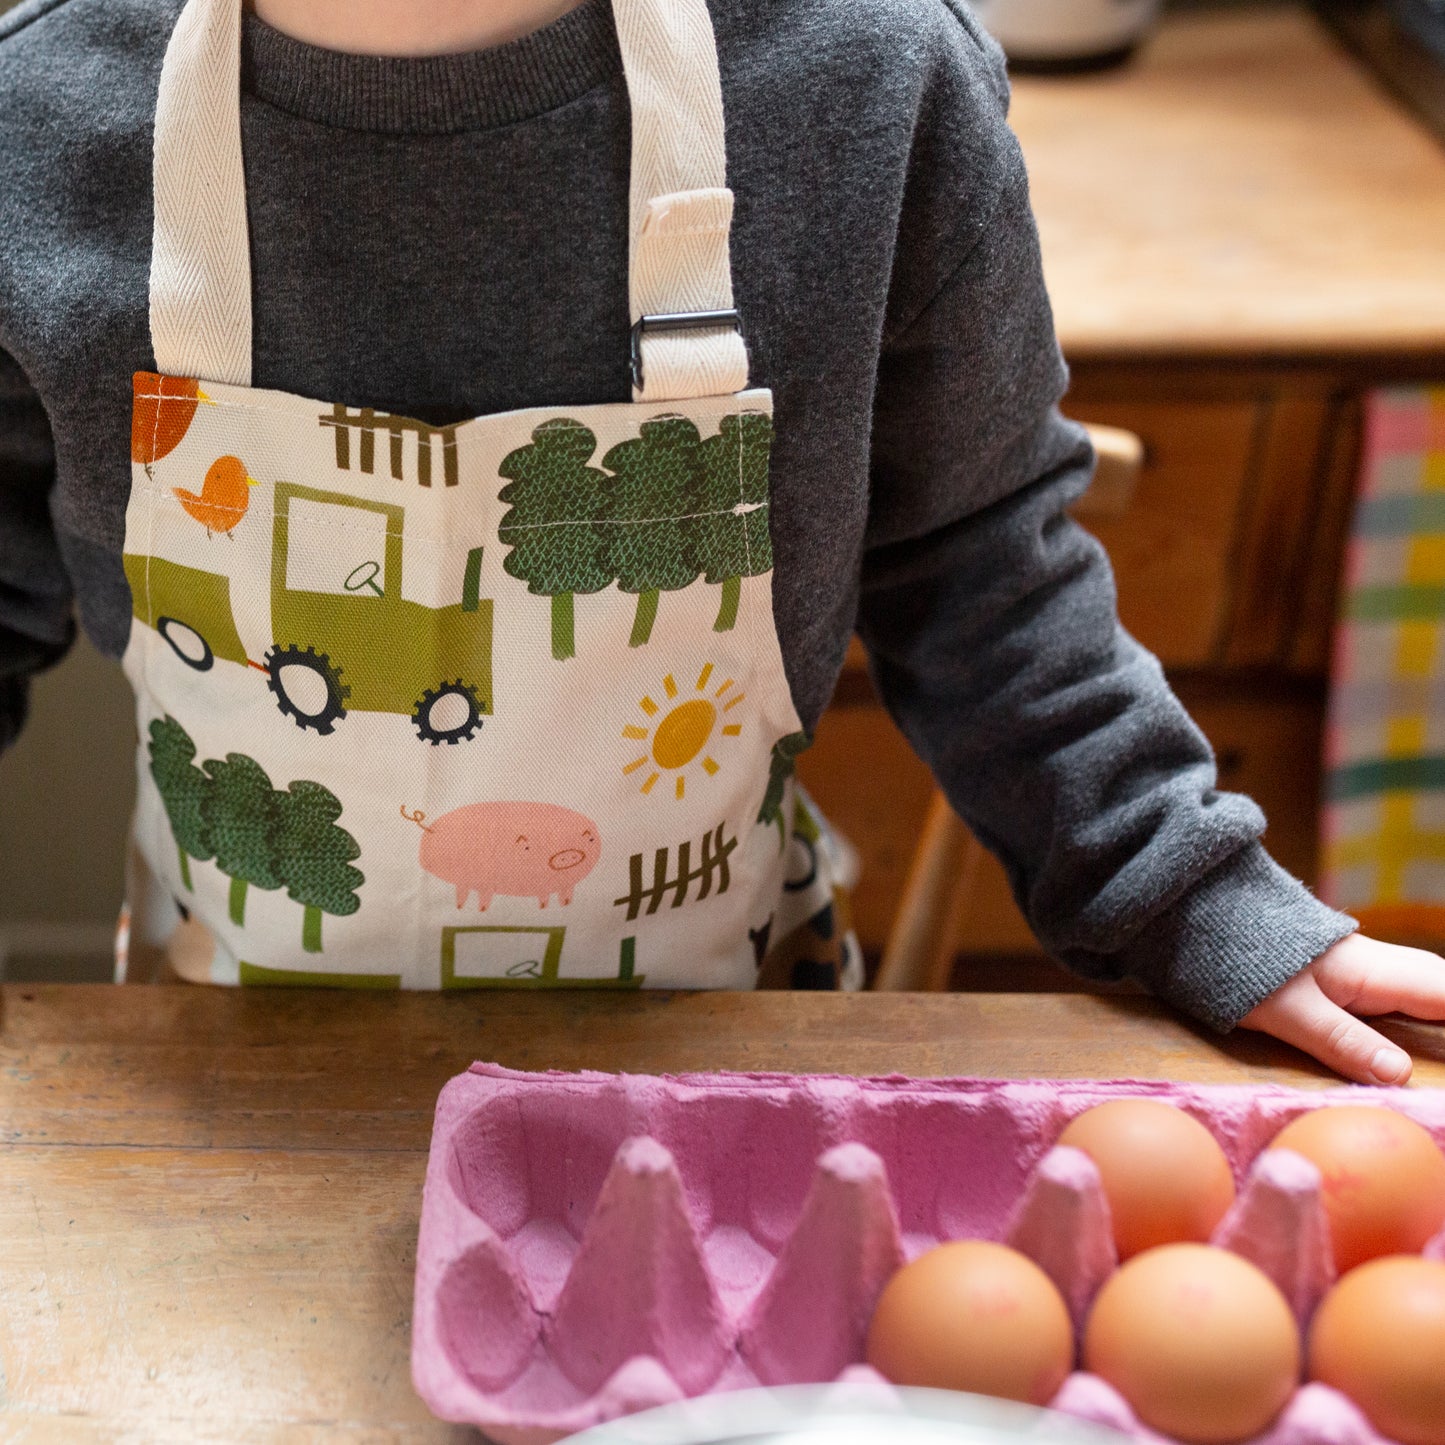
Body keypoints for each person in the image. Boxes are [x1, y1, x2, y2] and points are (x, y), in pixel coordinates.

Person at [1, 0, 1442, 1080]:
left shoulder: (867, 85)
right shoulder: (35, 116)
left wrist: (1188, 893)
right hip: (224, 1076)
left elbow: (977, 568)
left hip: (720, 1073)